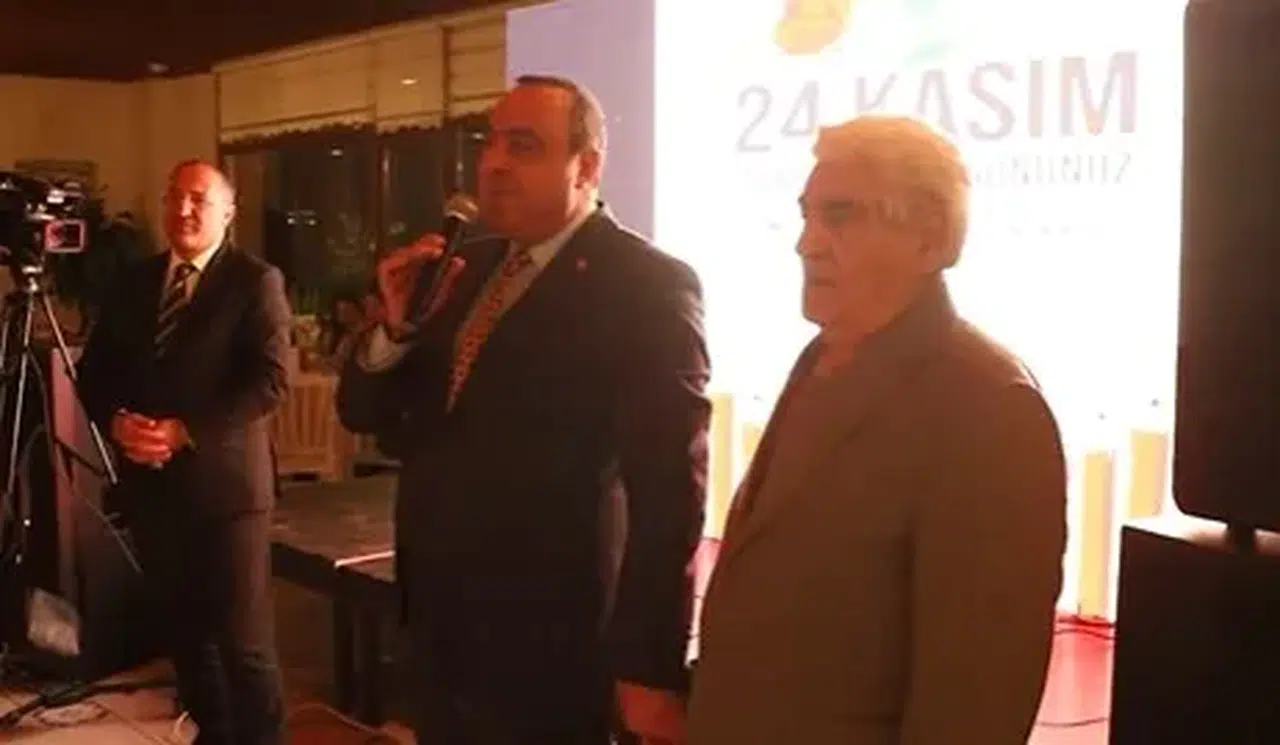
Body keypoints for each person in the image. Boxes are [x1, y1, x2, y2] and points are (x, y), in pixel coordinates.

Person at [336, 74, 710, 745]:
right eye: (491, 142)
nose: (495, 163)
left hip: (552, 636)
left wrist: (649, 665)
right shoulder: (466, 267)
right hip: (439, 620)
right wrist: (394, 331)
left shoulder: (645, 285)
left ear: (585, 167)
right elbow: (367, 414)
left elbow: (670, 493)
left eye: (524, 146)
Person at [686, 115, 1067, 745]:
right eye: (807, 215)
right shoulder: (823, 355)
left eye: (840, 217)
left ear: (931, 241)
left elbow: (976, 700)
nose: (806, 243)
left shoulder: (990, 407)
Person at [78, 159, 291, 745]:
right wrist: (118, 422)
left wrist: (183, 430)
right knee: (188, 639)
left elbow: (270, 381)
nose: (184, 209)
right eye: (175, 197)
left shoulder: (254, 281)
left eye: (199, 199)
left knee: (244, 645)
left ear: (228, 211)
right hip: (152, 489)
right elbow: (95, 373)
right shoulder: (134, 282)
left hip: (227, 496)